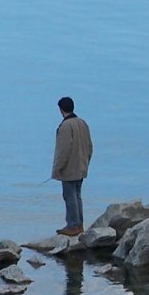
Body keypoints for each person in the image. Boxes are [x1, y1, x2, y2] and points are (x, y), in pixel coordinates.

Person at [52, 96, 93, 236]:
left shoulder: (65, 126)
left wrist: (57, 169)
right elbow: (90, 146)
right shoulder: (83, 123)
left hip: (69, 168)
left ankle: (73, 225)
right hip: (81, 166)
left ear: (61, 109)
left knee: (69, 196)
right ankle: (79, 224)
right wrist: (86, 162)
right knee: (77, 196)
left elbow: (63, 150)